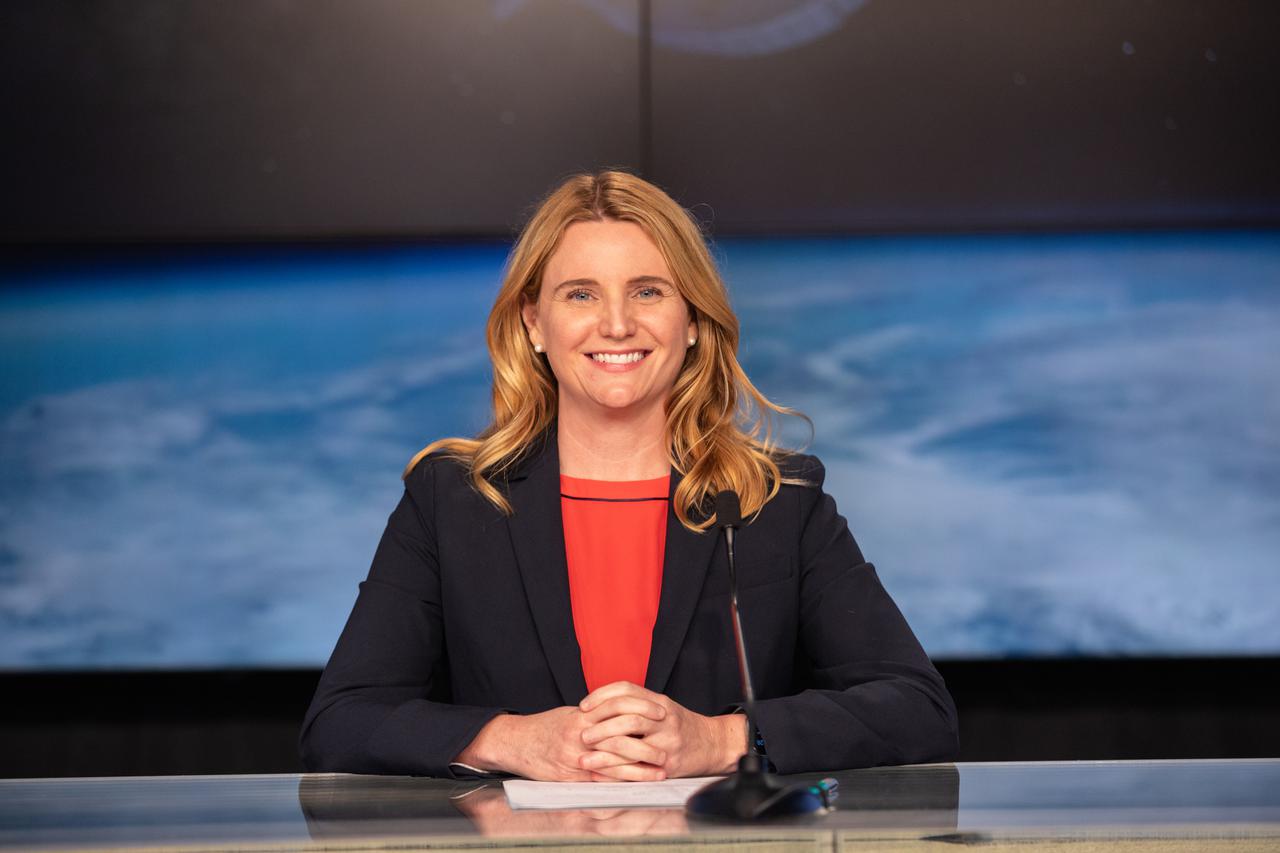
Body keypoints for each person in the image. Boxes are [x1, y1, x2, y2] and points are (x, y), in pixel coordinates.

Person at [299, 171, 958, 781]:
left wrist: (718, 738)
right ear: (534, 323)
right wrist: (508, 739)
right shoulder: (451, 498)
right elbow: (341, 720)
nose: (616, 323)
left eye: (647, 291)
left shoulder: (779, 501)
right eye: (580, 293)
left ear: (693, 320)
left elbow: (916, 708)